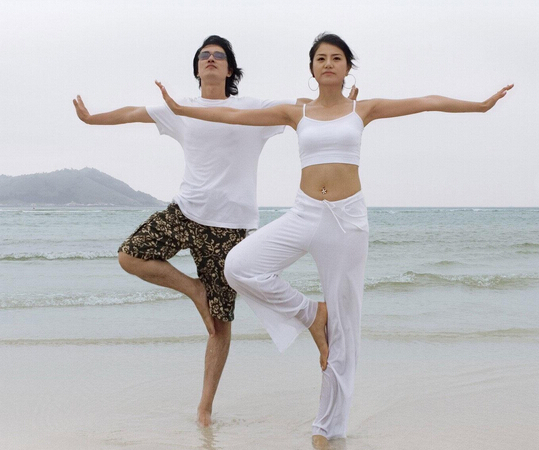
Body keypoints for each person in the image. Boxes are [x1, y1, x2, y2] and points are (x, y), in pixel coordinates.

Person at [155, 32, 513, 446]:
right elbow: (233, 117)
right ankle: (311, 314)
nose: (328, 63)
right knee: (238, 266)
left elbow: (426, 101)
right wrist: (182, 109)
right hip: (305, 212)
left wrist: (480, 105)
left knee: (345, 332)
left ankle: (327, 430)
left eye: (337, 58)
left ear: (346, 68)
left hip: (346, 221)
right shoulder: (296, 112)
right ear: (311, 69)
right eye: (321, 58)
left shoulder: (363, 108)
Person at [72, 35, 356, 427]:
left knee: (220, 326)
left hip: (229, 226)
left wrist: (342, 104)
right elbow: (135, 112)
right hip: (186, 211)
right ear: (197, 68)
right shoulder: (180, 108)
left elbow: (300, 109)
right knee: (129, 255)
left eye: (218, 56)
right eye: (204, 56)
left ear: (229, 69)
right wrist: (93, 118)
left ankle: (204, 409)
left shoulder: (251, 107)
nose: (210, 60)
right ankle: (195, 290)